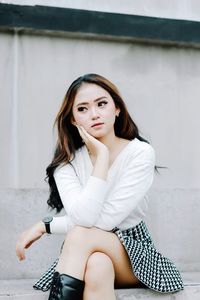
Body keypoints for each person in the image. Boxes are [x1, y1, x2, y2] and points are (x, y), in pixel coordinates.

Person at [16, 74, 184, 300]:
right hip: (84, 252)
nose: (94, 114)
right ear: (73, 120)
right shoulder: (66, 164)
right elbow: (84, 217)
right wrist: (101, 158)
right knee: (97, 266)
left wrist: (46, 226)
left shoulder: (140, 153)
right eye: (82, 109)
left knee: (80, 235)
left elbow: (103, 222)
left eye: (102, 104)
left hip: (132, 253)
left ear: (117, 109)